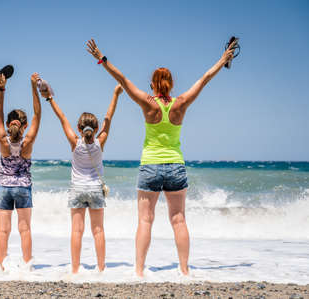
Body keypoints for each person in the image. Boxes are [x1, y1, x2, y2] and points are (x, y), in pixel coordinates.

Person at [85, 38, 236, 277]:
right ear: (171, 84)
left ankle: (139, 271)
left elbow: (122, 80)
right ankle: (185, 271)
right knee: (178, 220)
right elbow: (205, 78)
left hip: (150, 166)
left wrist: (102, 59)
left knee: (145, 220)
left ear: (154, 84)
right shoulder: (181, 103)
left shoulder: (147, 103)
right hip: (176, 165)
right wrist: (223, 59)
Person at [46, 84, 123, 274]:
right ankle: (101, 268)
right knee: (98, 230)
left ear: (79, 129)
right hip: (96, 189)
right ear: (95, 129)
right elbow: (109, 116)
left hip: (77, 189)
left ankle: (74, 269)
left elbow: (62, 117)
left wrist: (50, 99)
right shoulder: (100, 141)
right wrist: (115, 94)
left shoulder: (74, 141)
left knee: (76, 231)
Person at [0, 72, 42, 271]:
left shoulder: (2, 138)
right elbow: (38, 114)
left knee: (4, 230)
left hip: (4, 186)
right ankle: (27, 265)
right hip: (23, 187)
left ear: (7, 125)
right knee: (25, 229)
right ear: (25, 126)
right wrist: (33, 87)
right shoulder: (28, 141)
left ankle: (2, 266)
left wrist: (1, 89)